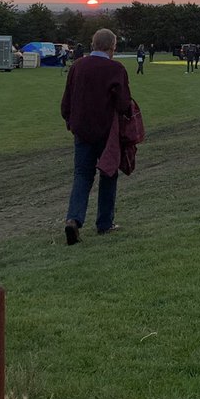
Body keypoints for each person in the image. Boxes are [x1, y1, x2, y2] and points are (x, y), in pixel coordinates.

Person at [61, 28, 133, 243]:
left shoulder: (78, 66)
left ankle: (73, 219)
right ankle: (104, 223)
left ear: (92, 44)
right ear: (112, 47)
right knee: (109, 173)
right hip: (106, 131)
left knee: (82, 175)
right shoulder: (115, 68)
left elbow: (67, 99)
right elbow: (123, 104)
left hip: (81, 129)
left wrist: (69, 120)